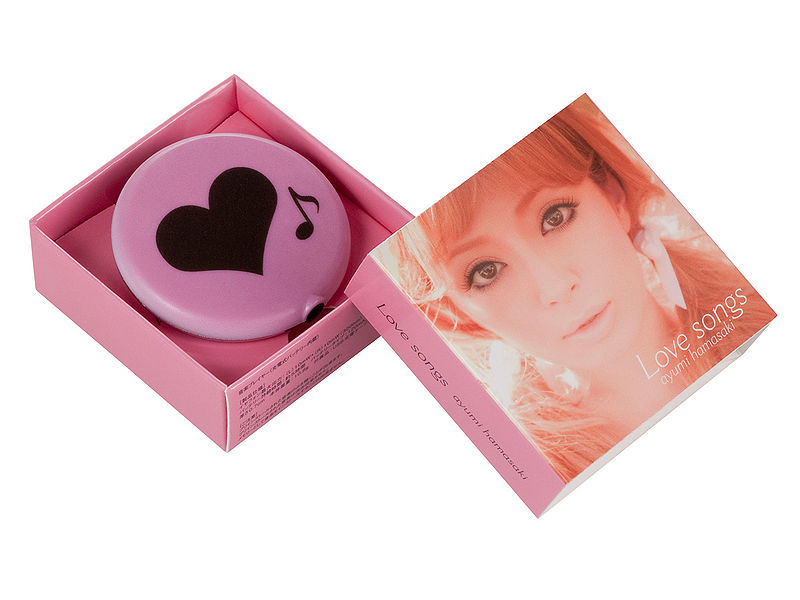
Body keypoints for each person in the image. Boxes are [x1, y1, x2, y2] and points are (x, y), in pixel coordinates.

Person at [376, 96, 774, 480]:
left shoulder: (760, 302)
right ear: (458, 313)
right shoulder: (541, 471)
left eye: (556, 217)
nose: (554, 287)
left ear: (614, 197)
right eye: (487, 271)